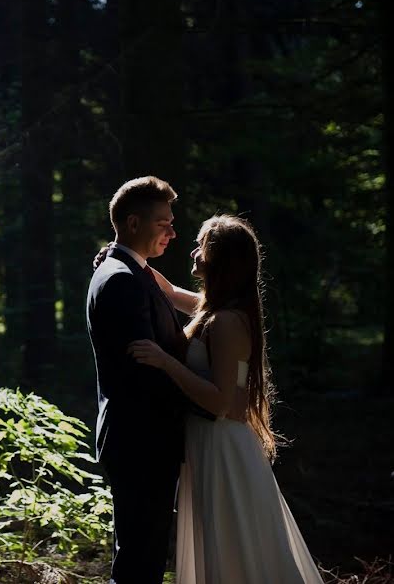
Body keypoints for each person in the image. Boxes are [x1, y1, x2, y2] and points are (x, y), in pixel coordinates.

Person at [128, 214, 323, 583]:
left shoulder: (227, 322)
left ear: (221, 258)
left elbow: (220, 403)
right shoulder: (212, 310)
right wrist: (122, 256)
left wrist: (165, 361)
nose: (193, 251)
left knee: (235, 546)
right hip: (208, 443)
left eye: (201, 246)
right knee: (224, 546)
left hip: (222, 446)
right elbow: (167, 293)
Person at [86, 176, 213, 583]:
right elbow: (142, 375)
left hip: (143, 438)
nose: (173, 232)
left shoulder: (131, 272)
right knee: (140, 557)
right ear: (134, 223)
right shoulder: (121, 279)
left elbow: (175, 299)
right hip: (140, 438)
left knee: (146, 551)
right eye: (164, 222)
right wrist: (210, 405)